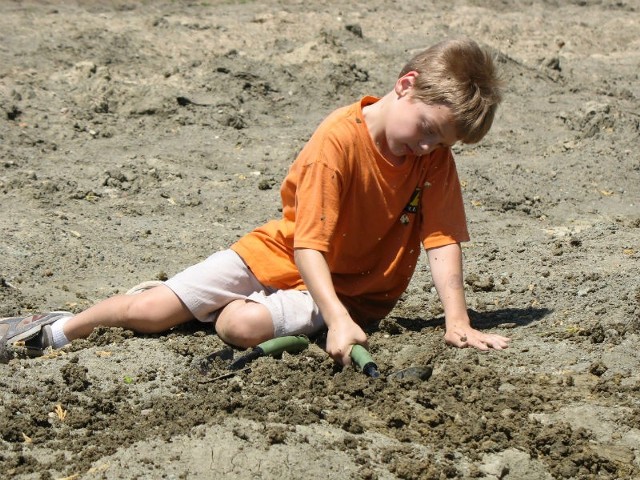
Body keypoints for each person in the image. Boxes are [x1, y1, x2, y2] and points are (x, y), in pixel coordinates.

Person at [1, 37, 510, 367]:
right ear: (406, 86)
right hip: (284, 254)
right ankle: (54, 330)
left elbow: (441, 239)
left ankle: (218, 307)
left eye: (441, 144)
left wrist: (457, 321)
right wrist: (332, 324)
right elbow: (308, 245)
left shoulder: (432, 161)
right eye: (426, 131)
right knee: (151, 310)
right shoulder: (336, 141)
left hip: (352, 290)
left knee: (239, 324)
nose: (427, 148)